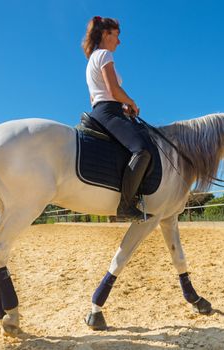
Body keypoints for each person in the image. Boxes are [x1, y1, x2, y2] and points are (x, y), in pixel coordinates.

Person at [82, 16, 153, 221]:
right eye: (116, 35)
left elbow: (95, 96)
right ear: (106, 34)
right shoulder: (104, 55)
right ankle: (126, 205)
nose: (119, 42)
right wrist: (131, 102)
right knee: (142, 149)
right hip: (108, 111)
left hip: (102, 110)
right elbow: (113, 90)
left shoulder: (91, 60)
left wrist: (122, 106)